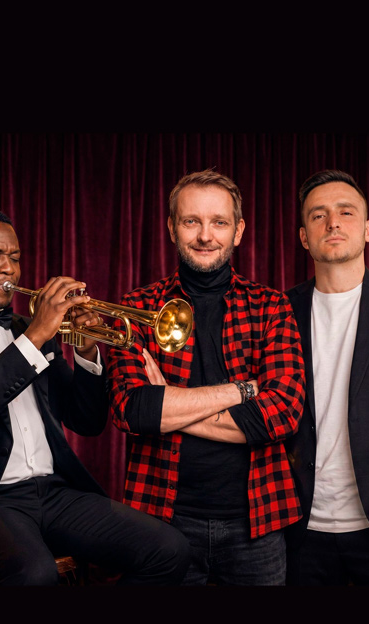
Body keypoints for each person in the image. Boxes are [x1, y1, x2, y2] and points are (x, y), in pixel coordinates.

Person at [0, 205, 191, 586]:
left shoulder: (23, 328)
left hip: (54, 492)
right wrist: (35, 337)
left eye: (15, 257)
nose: (9, 269)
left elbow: (85, 421)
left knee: (170, 548)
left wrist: (86, 351)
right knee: (35, 575)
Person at [107, 169, 306, 586]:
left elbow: (282, 414)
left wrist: (168, 403)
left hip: (258, 522)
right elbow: (132, 411)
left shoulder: (271, 306)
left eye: (219, 222)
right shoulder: (136, 307)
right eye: (191, 221)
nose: (205, 236)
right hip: (161, 519)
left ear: (238, 231)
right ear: (171, 228)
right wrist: (243, 390)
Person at [285, 169, 369, 586]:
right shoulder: (278, 312)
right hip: (298, 529)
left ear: (368, 229)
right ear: (304, 237)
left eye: (346, 212)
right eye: (318, 215)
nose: (333, 223)